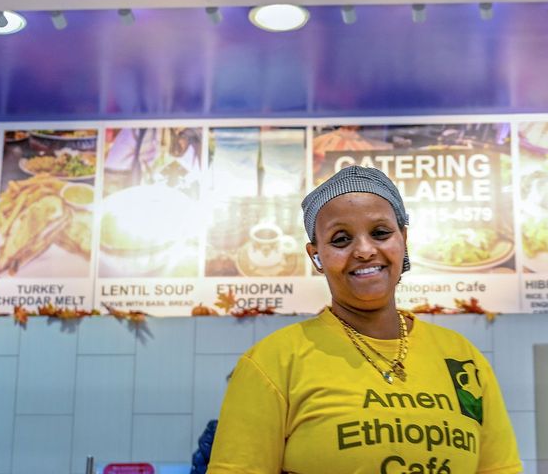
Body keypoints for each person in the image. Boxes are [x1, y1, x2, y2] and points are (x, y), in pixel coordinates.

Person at [208, 165, 522, 474]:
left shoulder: (463, 359)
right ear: (315, 255)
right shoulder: (273, 362)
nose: (364, 250)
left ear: (404, 239)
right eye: (341, 239)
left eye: (380, 233)